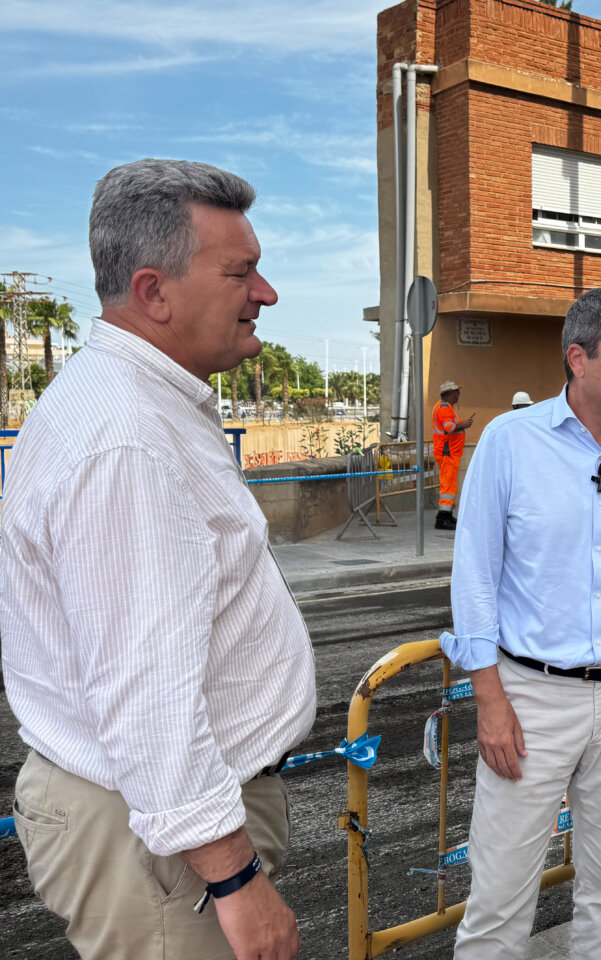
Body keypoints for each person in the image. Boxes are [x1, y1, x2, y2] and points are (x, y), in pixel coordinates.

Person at [0, 159, 315, 960]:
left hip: (163, 834)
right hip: (164, 852)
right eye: (240, 272)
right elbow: (147, 696)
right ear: (153, 293)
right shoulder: (128, 440)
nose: (265, 293)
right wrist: (237, 882)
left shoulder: (138, 404)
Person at [442, 285, 601, 959]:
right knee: (500, 899)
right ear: (577, 359)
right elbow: (473, 575)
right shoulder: (509, 442)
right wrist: (490, 700)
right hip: (529, 698)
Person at [433, 379, 474, 529]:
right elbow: (449, 428)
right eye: (457, 392)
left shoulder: (445, 407)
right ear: (450, 394)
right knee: (448, 488)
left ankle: (447, 516)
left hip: (449, 452)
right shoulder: (444, 408)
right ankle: (443, 519)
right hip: (447, 452)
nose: (459, 394)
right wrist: (464, 425)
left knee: (449, 486)